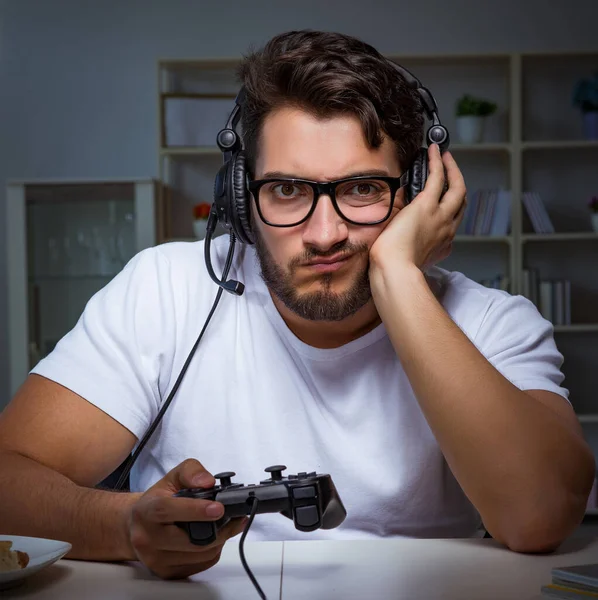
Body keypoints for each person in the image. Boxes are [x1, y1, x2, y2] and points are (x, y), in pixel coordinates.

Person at [0, 30, 594, 581]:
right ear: (239, 197)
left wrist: (398, 275)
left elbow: (539, 516)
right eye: (287, 190)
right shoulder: (165, 290)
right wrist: (125, 525)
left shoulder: (493, 322)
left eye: (362, 189)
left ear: (416, 195)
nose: (325, 233)